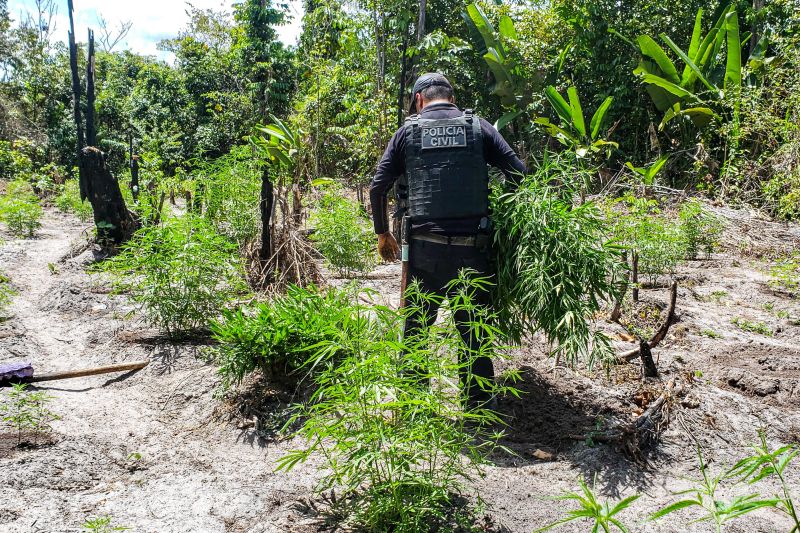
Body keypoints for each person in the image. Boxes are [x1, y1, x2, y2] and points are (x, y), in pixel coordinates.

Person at [369, 72, 526, 408]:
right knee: (474, 333)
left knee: (415, 330)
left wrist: (383, 233)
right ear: (451, 97)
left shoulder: (407, 132)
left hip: (425, 253)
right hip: (475, 250)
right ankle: (478, 409)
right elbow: (518, 172)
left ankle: (413, 406)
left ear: (420, 99)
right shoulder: (478, 127)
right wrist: (503, 220)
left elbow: (378, 186)